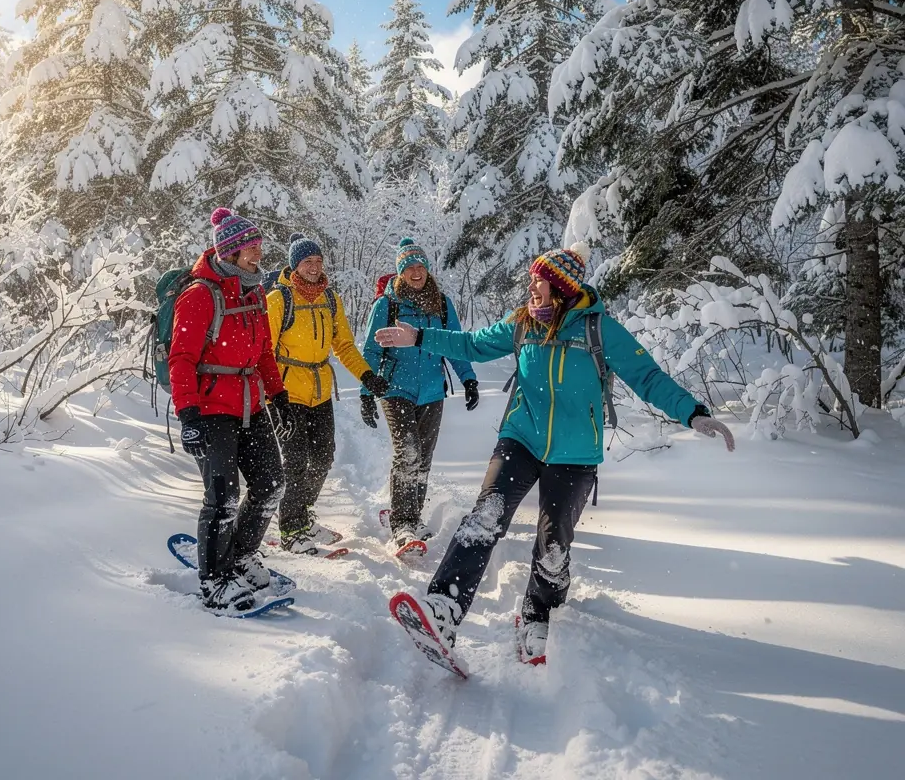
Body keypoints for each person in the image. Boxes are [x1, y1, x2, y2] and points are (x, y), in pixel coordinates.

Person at [376, 246, 735, 663]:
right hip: (521, 438)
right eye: (531, 280)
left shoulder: (599, 329)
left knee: (553, 546)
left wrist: (692, 413)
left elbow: (646, 376)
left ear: (561, 288)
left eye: (538, 281)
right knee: (485, 516)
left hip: (575, 452)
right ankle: (443, 608)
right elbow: (472, 344)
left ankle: (537, 613)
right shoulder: (523, 323)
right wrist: (420, 336)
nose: (531, 288)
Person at [169, 207, 296, 614]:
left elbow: (263, 352)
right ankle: (214, 580)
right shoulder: (199, 295)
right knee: (223, 497)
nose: (258, 254)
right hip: (210, 409)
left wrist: (278, 396)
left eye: (259, 247)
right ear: (230, 252)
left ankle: (240, 555)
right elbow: (181, 359)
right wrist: (188, 416)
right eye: (250, 249)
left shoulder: (255, 291)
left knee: (271, 483)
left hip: (250, 403)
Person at [267, 232, 390, 553]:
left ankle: (302, 514)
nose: (314, 266)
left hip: (320, 390)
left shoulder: (330, 299)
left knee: (322, 457)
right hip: (287, 392)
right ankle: (291, 528)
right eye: (307, 261)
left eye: (318, 261)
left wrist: (367, 376)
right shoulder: (280, 299)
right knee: (294, 460)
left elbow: (344, 345)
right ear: (295, 264)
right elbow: (264, 352)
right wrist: (271, 395)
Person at [361, 237, 480, 551]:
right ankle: (402, 523)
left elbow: (454, 344)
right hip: (395, 388)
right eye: (409, 267)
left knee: (423, 459)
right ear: (400, 272)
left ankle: (413, 515)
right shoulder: (387, 305)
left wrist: (468, 378)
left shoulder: (441, 303)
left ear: (427, 269)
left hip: (431, 390)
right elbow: (371, 350)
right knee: (409, 452)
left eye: (420, 266)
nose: (416, 272)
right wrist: (365, 392)